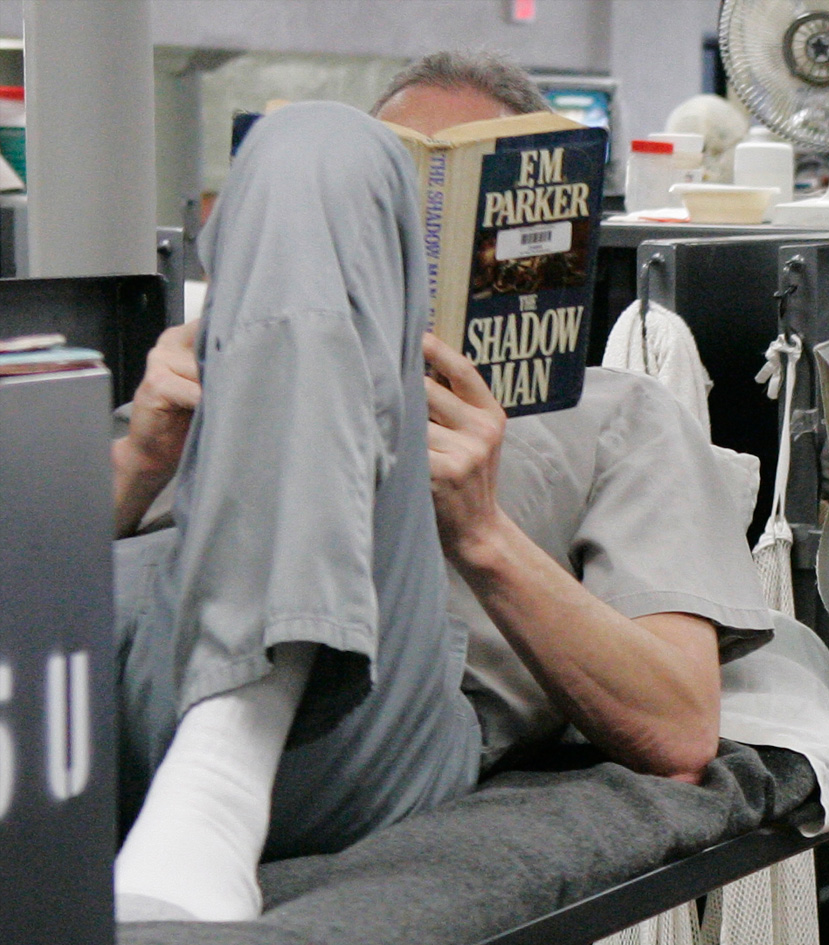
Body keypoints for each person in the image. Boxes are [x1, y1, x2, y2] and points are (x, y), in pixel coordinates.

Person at [111, 52, 774, 923]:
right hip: (122, 654)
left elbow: (680, 727)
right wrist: (141, 459)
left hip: (366, 706)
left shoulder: (620, 412)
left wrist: (483, 534)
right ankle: (212, 753)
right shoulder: (240, 351)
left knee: (314, 136)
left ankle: (228, 746)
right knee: (308, 140)